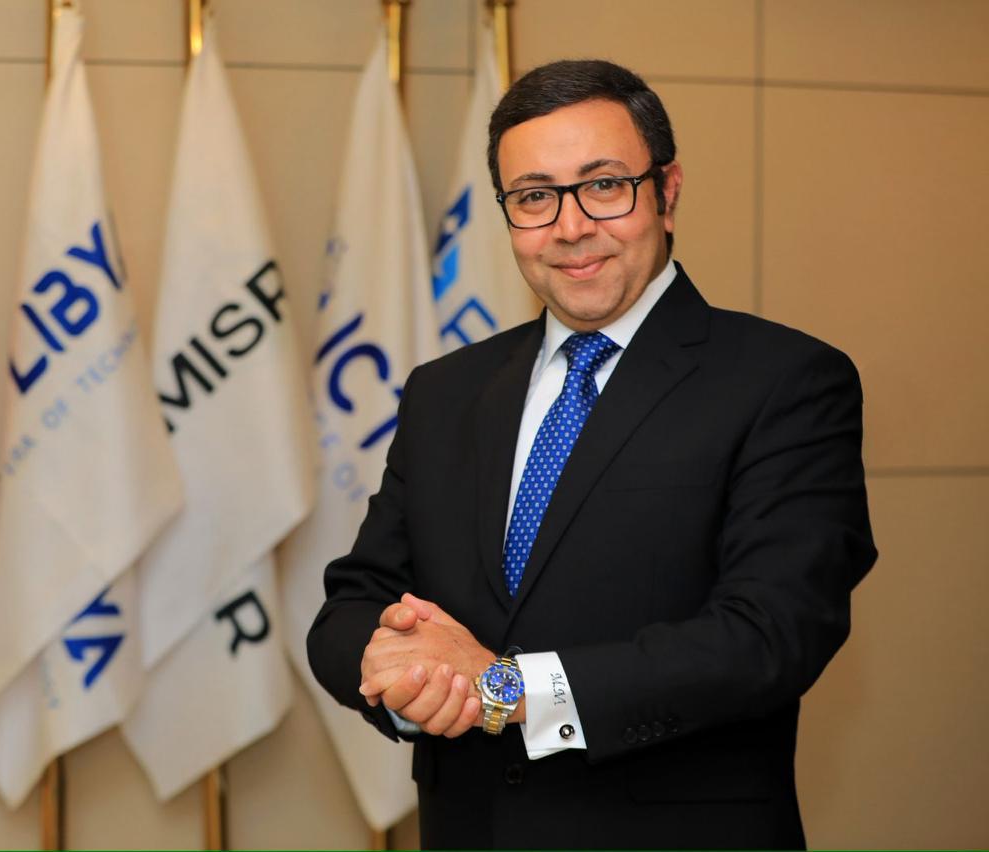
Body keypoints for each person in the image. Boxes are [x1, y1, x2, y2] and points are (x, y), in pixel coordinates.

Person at [306, 58, 876, 849]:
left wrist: (503, 688)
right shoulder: (446, 391)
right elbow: (353, 604)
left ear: (667, 191)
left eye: (604, 185)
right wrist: (409, 677)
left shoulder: (785, 381)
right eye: (534, 196)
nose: (570, 227)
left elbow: (769, 635)